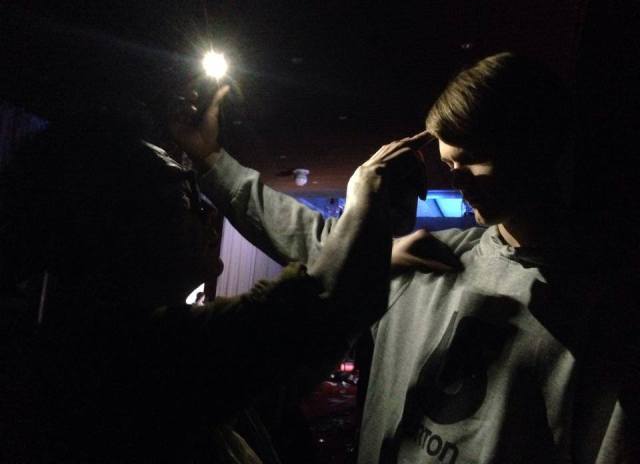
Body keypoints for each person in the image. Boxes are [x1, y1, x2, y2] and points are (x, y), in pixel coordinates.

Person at [182, 52, 638, 463]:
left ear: (535, 148)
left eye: (474, 159)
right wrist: (211, 161)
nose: (457, 180)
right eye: (449, 164)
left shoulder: (605, 308)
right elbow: (313, 240)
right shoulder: (429, 258)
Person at [0, 94, 427, 462]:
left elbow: (298, 347)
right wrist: (363, 195)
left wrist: (370, 255)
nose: (207, 213)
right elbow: (316, 307)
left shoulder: (84, 343)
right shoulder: (129, 360)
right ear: (113, 225)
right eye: (182, 197)